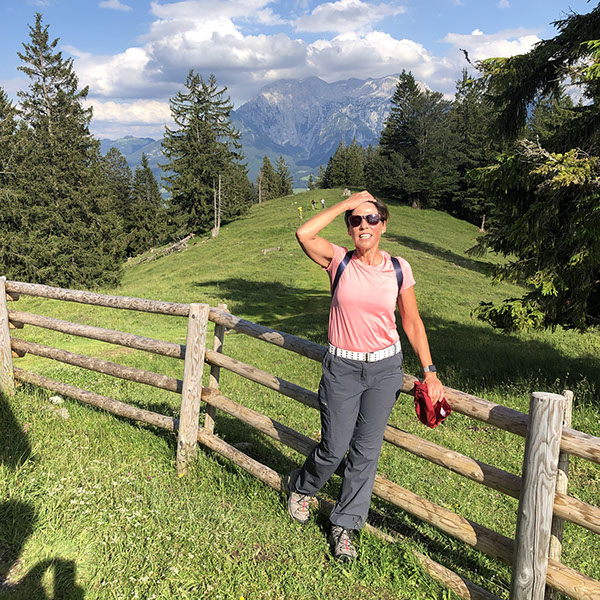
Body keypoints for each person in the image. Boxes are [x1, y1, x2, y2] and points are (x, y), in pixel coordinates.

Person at [287, 190, 443, 562]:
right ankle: (302, 487)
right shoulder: (338, 260)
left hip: (385, 371)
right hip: (342, 368)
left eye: (371, 218)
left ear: (383, 225)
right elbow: (304, 233)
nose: (364, 225)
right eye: (356, 220)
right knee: (334, 447)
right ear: (349, 228)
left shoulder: (399, 268)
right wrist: (347, 203)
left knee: (365, 453)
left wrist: (430, 372)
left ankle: (345, 525)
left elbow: (411, 322)